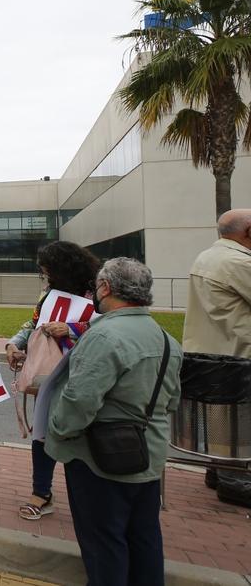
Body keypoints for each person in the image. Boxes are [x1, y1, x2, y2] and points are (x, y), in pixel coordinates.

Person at [46, 257, 182, 586]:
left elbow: (79, 402)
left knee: (104, 545)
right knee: (144, 539)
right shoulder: (167, 340)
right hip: (148, 457)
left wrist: (58, 428)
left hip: (99, 460)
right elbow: (172, 400)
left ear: (105, 288)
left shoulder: (104, 336)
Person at [3, 241, 100, 520]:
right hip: (48, 378)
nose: (45, 276)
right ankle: (41, 492)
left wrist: (72, 329)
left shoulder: (99, 293)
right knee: (42, 433)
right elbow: (33, 325)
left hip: (83, 376)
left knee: (78, 438)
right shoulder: (48, 295)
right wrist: (13, 345)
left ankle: (86, 497)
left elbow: (109, 326)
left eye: (47, 270)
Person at [182, 209, 251, 499]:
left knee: (225, 419)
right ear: (248, 232)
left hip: (214, 352)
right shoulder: (237, 262)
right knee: (240, 420)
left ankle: (220, 471)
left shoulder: (208, 256)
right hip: (237, 352)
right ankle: (234, 482)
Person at [183, 209, 251, 359]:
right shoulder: (240, 263)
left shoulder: (206, 256)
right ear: (249, 231)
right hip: (239, 360)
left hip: (211, 356)